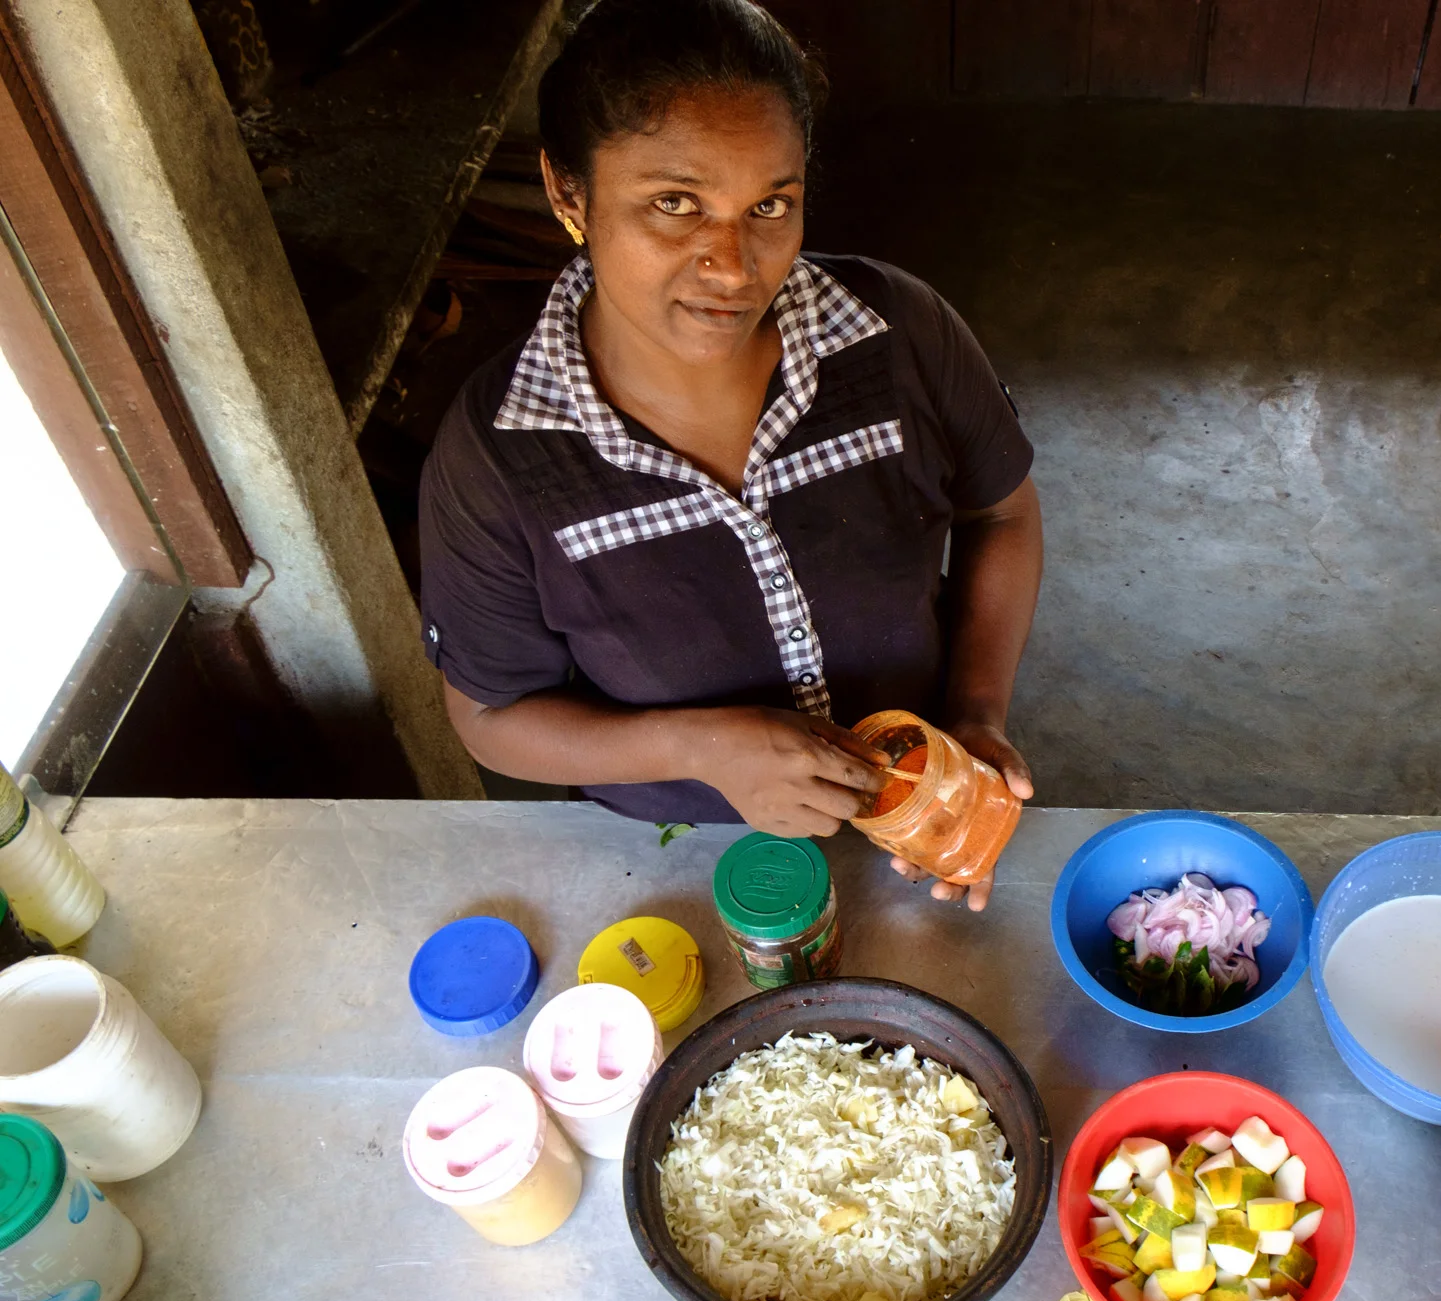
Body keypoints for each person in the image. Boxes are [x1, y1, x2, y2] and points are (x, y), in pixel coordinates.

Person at [416, 0, 1041, 910]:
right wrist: (700, 749)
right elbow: (489, 713)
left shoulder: (899, 336)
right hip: (676, 857)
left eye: (769, 206)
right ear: (568, 192)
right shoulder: (500, 456)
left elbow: (1003, 509)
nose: (735, 265)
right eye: (675, 204)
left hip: (910, 812)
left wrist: (975, 713)